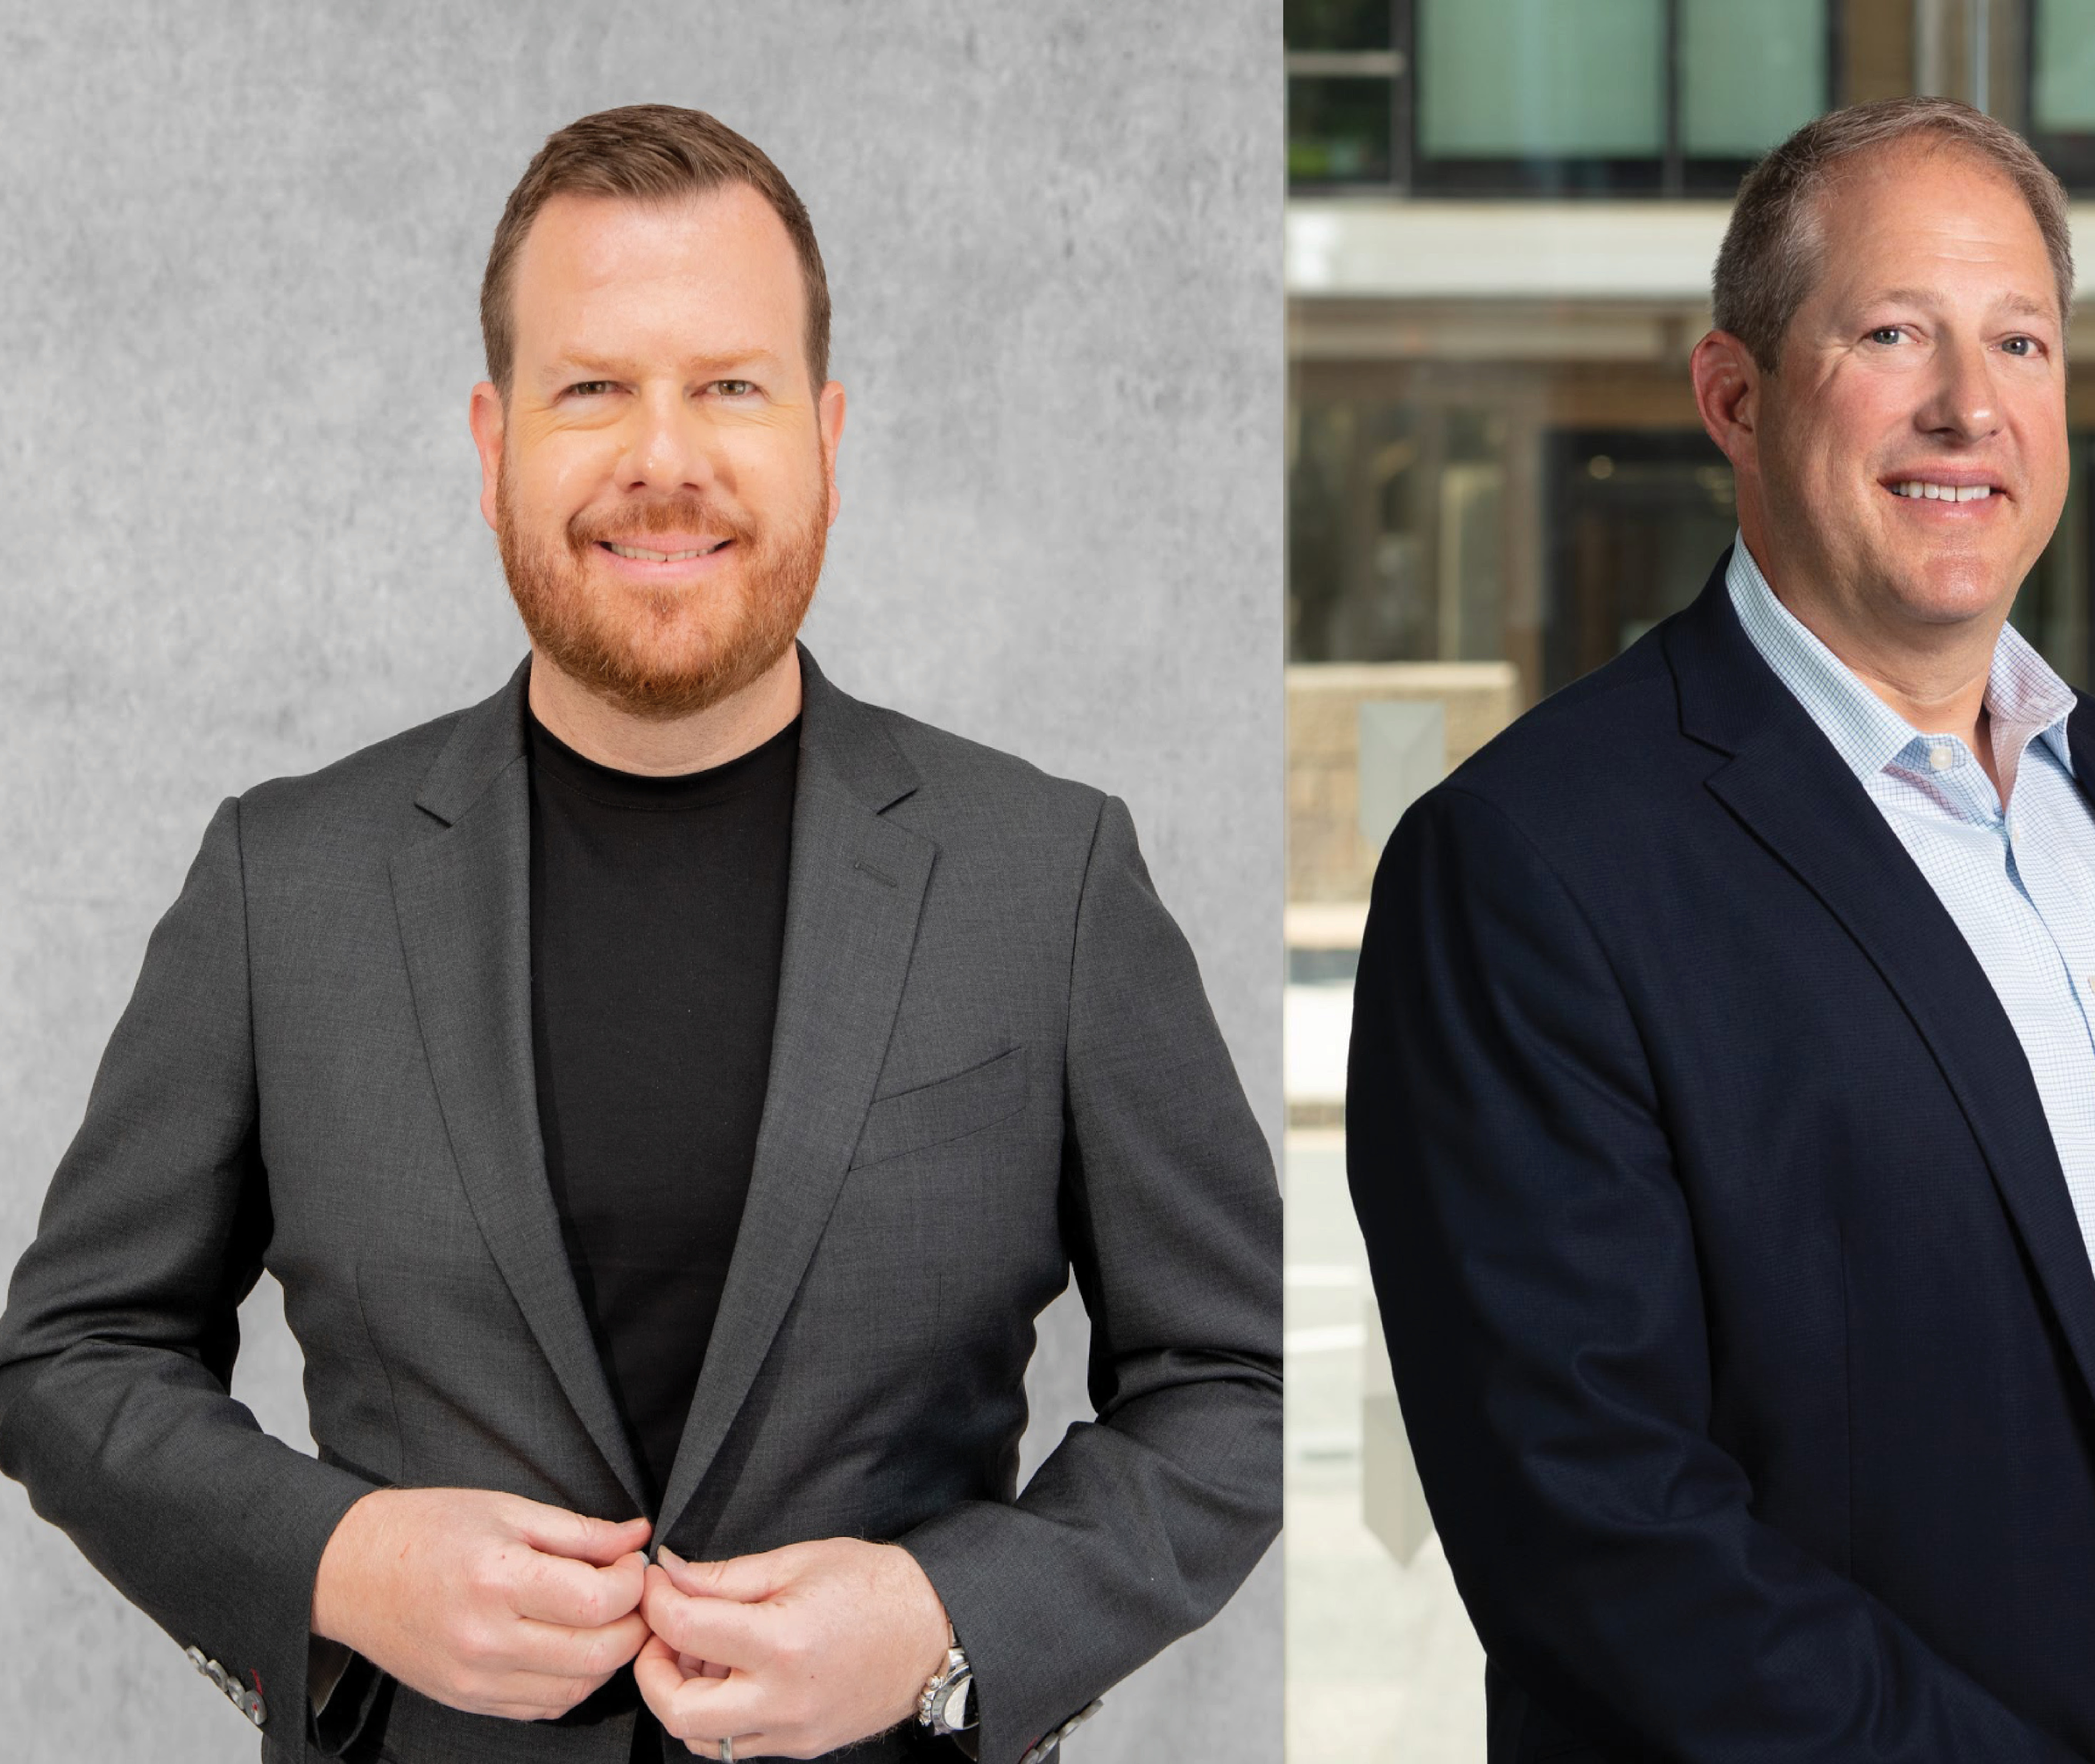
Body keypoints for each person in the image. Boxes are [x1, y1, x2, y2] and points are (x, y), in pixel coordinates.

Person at [0, 104, 1280, 1764]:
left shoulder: (1049, 878)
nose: (662, 460)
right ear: (492, 443)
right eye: (591, 388)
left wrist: (944, 1623)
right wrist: (339, 1565)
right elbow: (74, 1355)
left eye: (729, 388)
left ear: (824, 433)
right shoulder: (282, 881)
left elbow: (1233, 1384)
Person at [1346, 97, 2095, 1764]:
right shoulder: (1526, 864)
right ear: (1733, 397)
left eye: (2019, 344)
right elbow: (1596, 1527)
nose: (1966, 408)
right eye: (1893, 333)